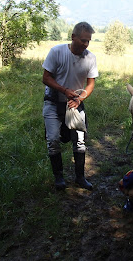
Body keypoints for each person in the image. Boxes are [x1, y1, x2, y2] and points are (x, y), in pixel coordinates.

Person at [42, 22, 99, 191]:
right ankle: (59, 178)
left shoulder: (90, 58)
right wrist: (64, 90)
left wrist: (80, 99)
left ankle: (80, 178)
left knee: (80, 141)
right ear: (73, 37)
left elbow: (90, 84)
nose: (86, 44)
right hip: (52, 101)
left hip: (74, 103)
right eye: (83, 40)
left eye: (88, 41)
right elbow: (46, 78)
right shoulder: (57, 52)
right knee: (52, 140)